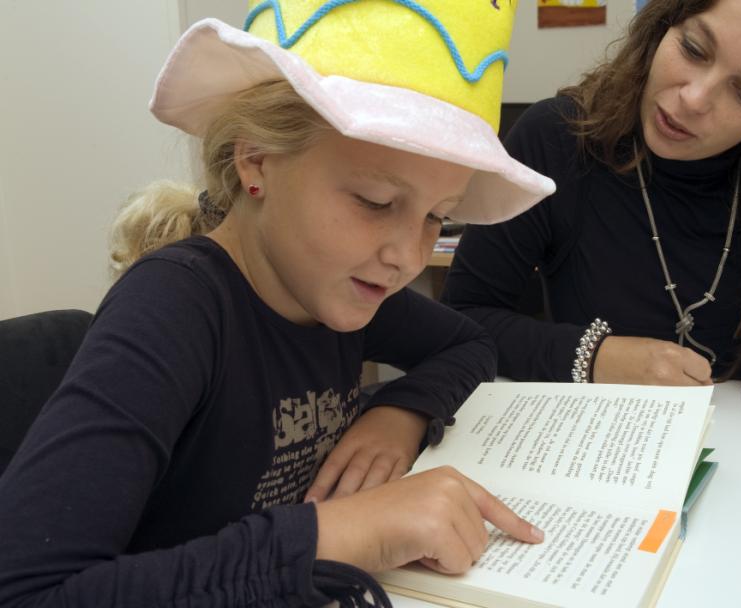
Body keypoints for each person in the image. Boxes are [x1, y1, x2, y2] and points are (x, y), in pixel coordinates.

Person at [0, 1, 557, 606]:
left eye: (436, 217)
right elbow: (29, 590)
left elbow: (470, 341)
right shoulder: (172, 310)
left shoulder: (333, 284)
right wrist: (342, 534)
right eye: (375, 200)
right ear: (257, 159)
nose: (407, 256)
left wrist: (399, 415)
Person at [442, 0, 741, 406]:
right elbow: (464, 317)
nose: (692, 99)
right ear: (666, 23)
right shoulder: (558, 140)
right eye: (693, 49)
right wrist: (596, 357)